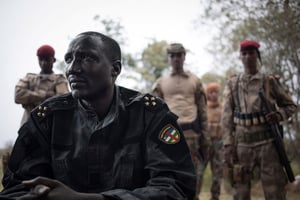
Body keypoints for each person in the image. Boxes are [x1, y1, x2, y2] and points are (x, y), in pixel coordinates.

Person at [0, 32, 196, 200]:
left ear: (115, 69)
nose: (73, 68)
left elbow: (176, 187)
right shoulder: (47, 119)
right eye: (69, 59)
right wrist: (39, 193)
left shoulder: (150, 115)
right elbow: (16, 187)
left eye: (87, 58)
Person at [222, 40, 297, 200]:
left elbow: (291, 106)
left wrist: (278, 115)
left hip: (268, 144)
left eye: (251, 53)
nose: (248, 57)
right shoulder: (233, 84)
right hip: (242, 146)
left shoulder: (269, 81)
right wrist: (228, 144)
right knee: (240, 192)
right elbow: (226, 116)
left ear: (257, 56)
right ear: (240, 57)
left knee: (274, 191)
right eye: (244, 53)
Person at [152, 43, 209, 200]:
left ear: (184, 57)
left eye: (179, 55)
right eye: (172, 56)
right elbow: (154, 113)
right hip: (169, 135)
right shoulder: (160, 82)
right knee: (170, 175)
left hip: (191, 134)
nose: (176, 59)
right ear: (168, 58)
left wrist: (206, 139)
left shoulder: (195, 81)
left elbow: (203, 111)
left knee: (193, 175)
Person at [15, 44, 69, 126]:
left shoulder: (59, 79)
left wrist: (31, 97)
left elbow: (62, 100)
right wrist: (45, 95)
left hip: (51, 127)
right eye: (41, 59)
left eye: (47, 59)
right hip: (28, 126)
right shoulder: (29, 78)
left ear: (53, 60)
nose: (43, 63)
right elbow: (18, 95)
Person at [204, 82, 223, 200]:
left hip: (219, 143)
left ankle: (215, 196)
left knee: (217, 173)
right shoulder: (203, 107)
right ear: (208, 94)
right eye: (211, 92)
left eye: (216, 92)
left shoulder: (223, 106)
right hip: (206, 143)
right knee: (199, 171)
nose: (214, 94)